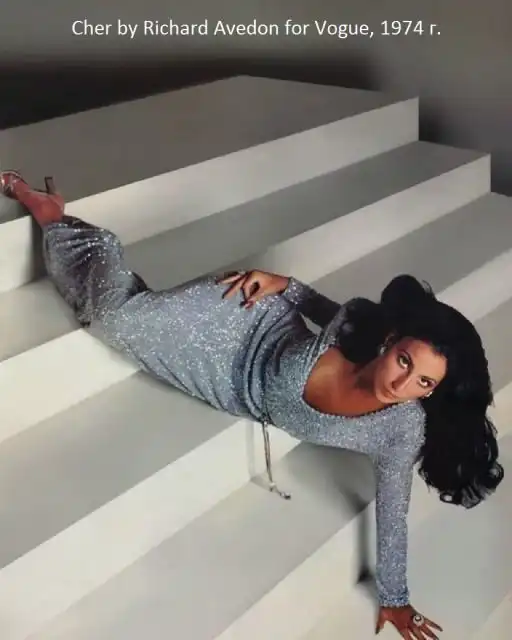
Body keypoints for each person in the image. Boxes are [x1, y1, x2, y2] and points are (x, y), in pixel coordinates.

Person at [1, 170, 503, 639]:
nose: (403, 382)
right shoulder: (358, 327)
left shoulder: (400, 430)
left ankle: (68, 232)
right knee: (115, 316)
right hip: (245, 318)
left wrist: (396, 599)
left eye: (423, 382)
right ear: (390, 341)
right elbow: (323, 308)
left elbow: (393, 511)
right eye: (403, 361)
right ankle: (67, 225)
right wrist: (282, 283)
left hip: (228, 385)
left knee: (117, 314)